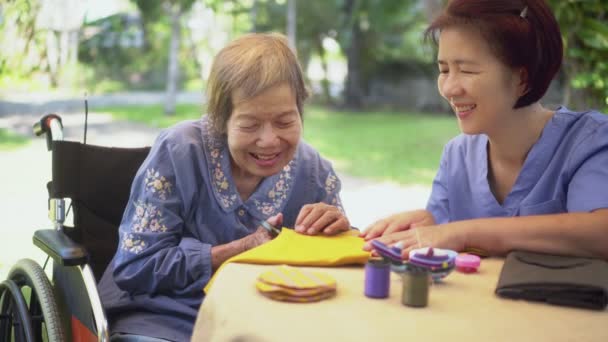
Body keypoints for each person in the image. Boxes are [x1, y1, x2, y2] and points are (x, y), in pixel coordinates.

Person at [98, 32, 350, 342]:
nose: (270, 140)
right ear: (220, 120)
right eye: (250, 124)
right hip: (168, 318)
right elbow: (135, 267)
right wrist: (237, 250)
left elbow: (338, 270)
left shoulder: (313, 170)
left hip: (265, 322)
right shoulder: (179, 153)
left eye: (285, 122)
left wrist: (336, 233)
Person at [361, 0, 608, 260]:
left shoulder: (590, 141)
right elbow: (445, 238)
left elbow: (601, 233)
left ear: (522, 78)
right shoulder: (457, 156)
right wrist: (429, 224)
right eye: (444, 69)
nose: (449, 89)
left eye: (466, 70)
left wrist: (467, 232)